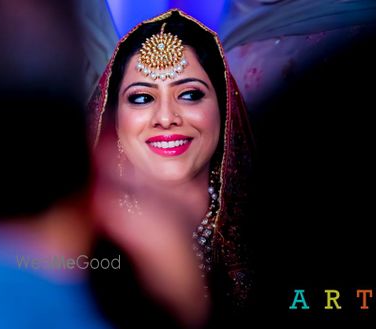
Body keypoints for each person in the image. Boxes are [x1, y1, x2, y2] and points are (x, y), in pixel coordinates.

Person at [88, 9, 254, 327]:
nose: (166, 117)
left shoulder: (265, 229)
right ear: (113, 117)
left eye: (190, 95)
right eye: (141, 98)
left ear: (224, 105)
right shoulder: (84, 241)